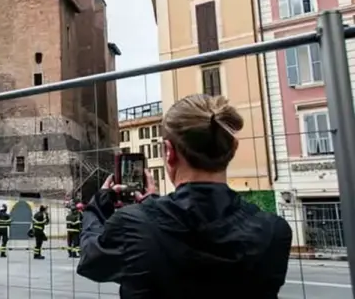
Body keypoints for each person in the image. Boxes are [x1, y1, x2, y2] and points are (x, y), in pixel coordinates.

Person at [76, 94, 293, 298]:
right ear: (233, 148)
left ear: (168, 152)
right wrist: (152, 206)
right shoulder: (275, 232)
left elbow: (90, 260)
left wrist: (99, 203)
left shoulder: (134, 225)